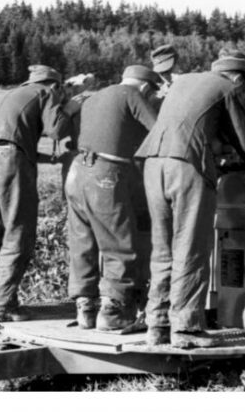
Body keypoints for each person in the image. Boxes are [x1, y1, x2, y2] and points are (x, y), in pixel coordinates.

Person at [135, 56, 245, 348]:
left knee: (163, 249)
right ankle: (187, 329)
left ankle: (158, 325)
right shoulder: (228, 89)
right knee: (191, 247)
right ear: (239, 78)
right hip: (186, 165)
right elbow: (242, 139)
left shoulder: (184, 81)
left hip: (153, 163)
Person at [0, 64, 71, 323]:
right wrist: (70, 105)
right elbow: (57, 129)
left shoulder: (10, 95)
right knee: (19, 234)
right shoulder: (46, 93)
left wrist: (51, 159)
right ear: (55, 85)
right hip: (8, 159)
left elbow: (9, 141)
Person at [66, 65, 159, 331]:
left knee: (83, 241)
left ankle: (86, 307)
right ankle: (114, 312)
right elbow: (158, 131)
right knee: (119, 241)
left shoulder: (95, 97)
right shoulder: (133, 95)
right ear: (145, 87)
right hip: (106, 175)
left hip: (77, 172)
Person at [149, 44, 180, 111]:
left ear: (177, 64)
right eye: (161, 73)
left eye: (167, 72)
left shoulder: (187, 84)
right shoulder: (155, 91)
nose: (165, 77)